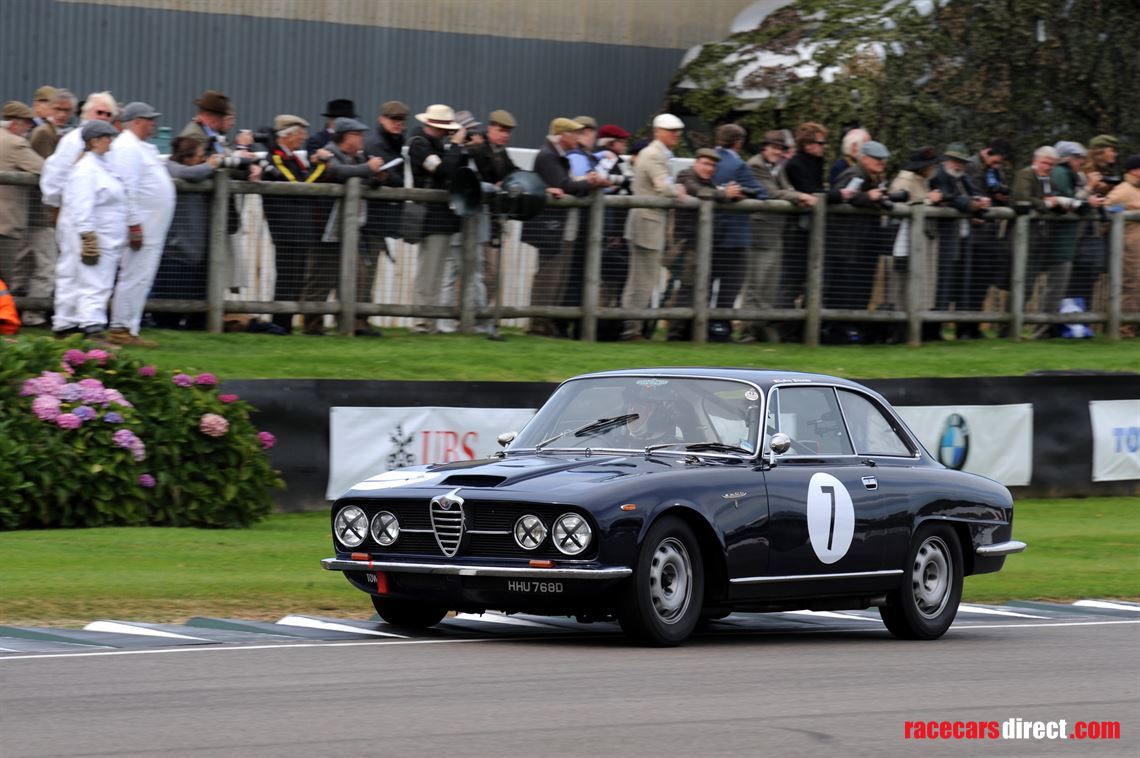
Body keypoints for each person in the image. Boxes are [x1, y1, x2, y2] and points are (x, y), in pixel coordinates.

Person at [40, 91, 118, 337]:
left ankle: (66, 323)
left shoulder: (104, 150)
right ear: (86, 114)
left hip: (87, 215)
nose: (104, 117)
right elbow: (54, 177)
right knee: (77, 272)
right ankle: (76, 324)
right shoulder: (73, 141)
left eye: (108, 114)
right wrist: (56, 207)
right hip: (77, 215)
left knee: (73, 272)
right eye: (99, 112)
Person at [102, 102, 175, 347]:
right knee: (134, 276)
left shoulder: (142, 147)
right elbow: (127, 189)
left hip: (151, 226)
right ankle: (121, 328)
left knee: (141, 277)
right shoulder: (126, 147)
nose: (153, 123)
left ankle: (129, 327)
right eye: (149, 119)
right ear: (135, 121)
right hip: (142, 226)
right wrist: (134, 225)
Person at [529, 117, 608, 337]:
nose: (577, 138)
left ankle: (546, 321)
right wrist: (590, 182)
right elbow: (563, 185)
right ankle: (538, 322)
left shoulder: (556, 155)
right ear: (562, 136)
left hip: (558, 226)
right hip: (550, 226)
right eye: (574, 134)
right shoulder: (548, 156)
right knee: (549, 274)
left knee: (557, 275)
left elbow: (568, 185)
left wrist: (584, 182)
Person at [311, 116, 386, 336]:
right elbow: (335, 172)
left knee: (358, 275)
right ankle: (312, 325)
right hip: (327, 227)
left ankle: (354, 324)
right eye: (357, 134)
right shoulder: (328, 153)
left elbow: (360, 179)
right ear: (345, 137)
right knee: (321, 278)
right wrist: (367, 168)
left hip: (351, 227)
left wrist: (377, 177)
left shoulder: (358, 158)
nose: (362, 138)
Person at [53, 120, 127, 340]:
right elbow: (82, 204)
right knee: (95, 281)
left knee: (81, 278)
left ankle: (66, 324)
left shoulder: (99, 165)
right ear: (94, 141)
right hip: (97, 234)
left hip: (105, 234)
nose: (111, 142)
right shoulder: (86, 170)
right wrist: (88, 235)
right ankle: (92, 327)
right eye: (107, 138)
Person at [742, 129, 817, 343]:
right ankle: (748, 330)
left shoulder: (776, 167)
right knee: (756, 282)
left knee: (770, 282)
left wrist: (794, 195)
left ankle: (761, 326)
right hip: (760, 231)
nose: (777, 152)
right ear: (765, 147)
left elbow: (785, 188)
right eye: (774, 147)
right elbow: (769, 192)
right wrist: (799, 196)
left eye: (781, 148)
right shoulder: (755, 165)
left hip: (775, 232)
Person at [621, 113, 688, 340]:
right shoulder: (653, 155)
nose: (676, 136)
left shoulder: (657, 154)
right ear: (658, 131)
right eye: (671, 131)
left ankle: (632, 327)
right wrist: (678, 190)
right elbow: (663, 187)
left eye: (677, 132)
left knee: (641, 279)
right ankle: (632, 329)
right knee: (642, 279)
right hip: (647, 224)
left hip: (647, 223)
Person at [261, 114, 329, 334]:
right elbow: (299, 184)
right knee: (287, 277)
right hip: (287, 227)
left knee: (295, 277)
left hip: (299, 227)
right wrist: (320, 167)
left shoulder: (293, 158)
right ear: (287, 135)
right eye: (300, 133)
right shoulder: (278, 157)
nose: (304, 137)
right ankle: (281, 323)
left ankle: (285, 324)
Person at [666, 148, 741, 341]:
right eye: (706, 164)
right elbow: (698, 191)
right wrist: (724, 194)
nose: (709, 168)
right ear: (696, 163)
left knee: (699, 288)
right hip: (687, 244)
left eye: (713, 165)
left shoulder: (710, 183)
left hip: (703, 245)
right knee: (687, 288)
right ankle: (676, 333)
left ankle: (689, 331)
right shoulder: (686, 175)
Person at [150, 135, 223, 330]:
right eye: (200, 156)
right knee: (168, 308)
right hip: (175, 252)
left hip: (196, 252)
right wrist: (211, 165)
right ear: (187, 157)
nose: (203, 159)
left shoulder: (200, 171)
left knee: (195, 302)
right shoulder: (169, 167)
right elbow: (190, 174)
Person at [406, 104, 468, 334]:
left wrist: (455, 148)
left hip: (440, 218)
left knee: (436, 270)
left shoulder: (436, 144)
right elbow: (444, 171)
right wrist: (456, 146)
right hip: (431, 216)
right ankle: (421, 321)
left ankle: (428, 321)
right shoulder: (420, 144)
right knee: (428, 271)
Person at [826, 140, 893, 343]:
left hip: (863, 245)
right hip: (847, 246)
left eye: (883, 160)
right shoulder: (853, 173)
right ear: (864, 158)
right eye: (877, 159)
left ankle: (854, 329)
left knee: (861, 289)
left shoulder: (871, 177)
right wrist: (867, 197)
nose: (882, 163)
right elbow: (842, 196)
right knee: (845, 289)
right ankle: (840, 330)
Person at [708, 123, 766, 341]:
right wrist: (742, 192)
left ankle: (699, 326)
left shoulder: (708, 158)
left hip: (711, 232)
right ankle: (720, 329)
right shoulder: (738, 164)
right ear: (739, 142)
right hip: (733, 235)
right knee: (730, 285)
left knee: (705, 283)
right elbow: (761, 193)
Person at [929, 143, 990, 340]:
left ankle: (962, 329)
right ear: (947, 159)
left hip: (964, 238)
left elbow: (974, 194)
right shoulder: (939, 176)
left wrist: (980, 205)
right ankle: (934, 329)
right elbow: (950, 197)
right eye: (956, 161)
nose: (958, 165)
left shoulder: (963, 177)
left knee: (962, 283)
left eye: (962, 162)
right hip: (944, 239)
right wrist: (972, 205)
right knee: (943, 284)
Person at [468, 109, 519, 319]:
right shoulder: (479, 150)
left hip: (494, 222)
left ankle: (481, 317)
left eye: (508, 131)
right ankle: (469, 315)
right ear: (490, 128)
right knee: (477, 271)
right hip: (479, 220)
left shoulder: (501, 153)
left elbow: (512, 173)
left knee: (492, 274)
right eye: (501, 130)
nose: (505, 135)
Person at [886, 146, 942, 337]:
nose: (934, 168)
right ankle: (901, 328)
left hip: (923, 241)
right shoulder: (905, 180)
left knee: (921, 284)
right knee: (904, 283)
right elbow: (899, 206)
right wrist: (929, 201)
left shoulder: (923, 180)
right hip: (907, 242)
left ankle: (916, 327)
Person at [779, 122, 828, 342]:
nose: (823, 147)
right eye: (820, 143)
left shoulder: (816, 162)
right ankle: (786, 330)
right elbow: (812, 191)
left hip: (811, 232)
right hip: (797, 233)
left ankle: (803, 329)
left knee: (811, 281)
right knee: (792, 281)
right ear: (807, 144)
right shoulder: (797, 164)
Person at [1012, 145, 1064, 336]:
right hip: (1024, 239)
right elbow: (1021, 198)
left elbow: (1052, 197)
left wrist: (1059, 204)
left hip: (1040, 240)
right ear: (1035, 161)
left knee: (1029, 284)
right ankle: (1008, 328)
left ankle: (1016, 327)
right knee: (1020, 284)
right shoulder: (1026, 174)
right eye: (1045, 163)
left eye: (1051, 164)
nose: (1048, 167)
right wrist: (1045, 204)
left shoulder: (1047, 180)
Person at [0, 102, 45, 317]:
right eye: (27, 124)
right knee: (4, 279)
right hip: (5, 224)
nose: (28, 128)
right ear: (16, 123)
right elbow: (43, 168)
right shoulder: (16, 144)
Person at [1106, 155, 1140, 337]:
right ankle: (1125, 328)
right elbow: (1107, 208)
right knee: (1131, 287)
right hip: (1130, 249)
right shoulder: (1123, 190)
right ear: (1134, 170)